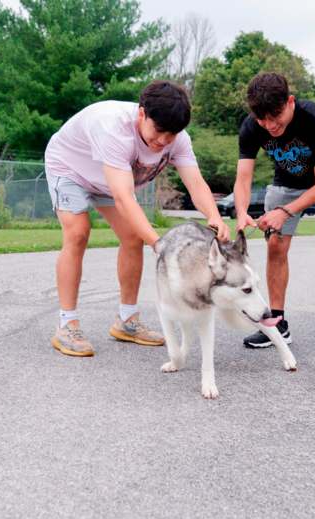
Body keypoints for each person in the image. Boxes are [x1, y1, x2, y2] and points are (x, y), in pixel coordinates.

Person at [45, 80, 230, 357]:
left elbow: (195, 183)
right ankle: (67, 325)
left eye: (172, 134)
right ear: (142, 114)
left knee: (132, 236)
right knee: (78, 232)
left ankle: (127, 321)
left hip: (110, 179)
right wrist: (159, 244)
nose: (164, 141)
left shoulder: (178, 140)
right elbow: (124, 198)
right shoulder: (113, 129)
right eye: (159, 130)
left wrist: (215, 216)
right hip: (71, 168)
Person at [233, 72, 315, 356]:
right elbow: (243, 178)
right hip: (286, 182)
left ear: (290, 102)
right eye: (263, 120)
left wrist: (285, 212)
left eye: (276, 117)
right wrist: (241, 212)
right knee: (275, 245)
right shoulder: (252, 127)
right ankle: (278, 323)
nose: (271, 126)